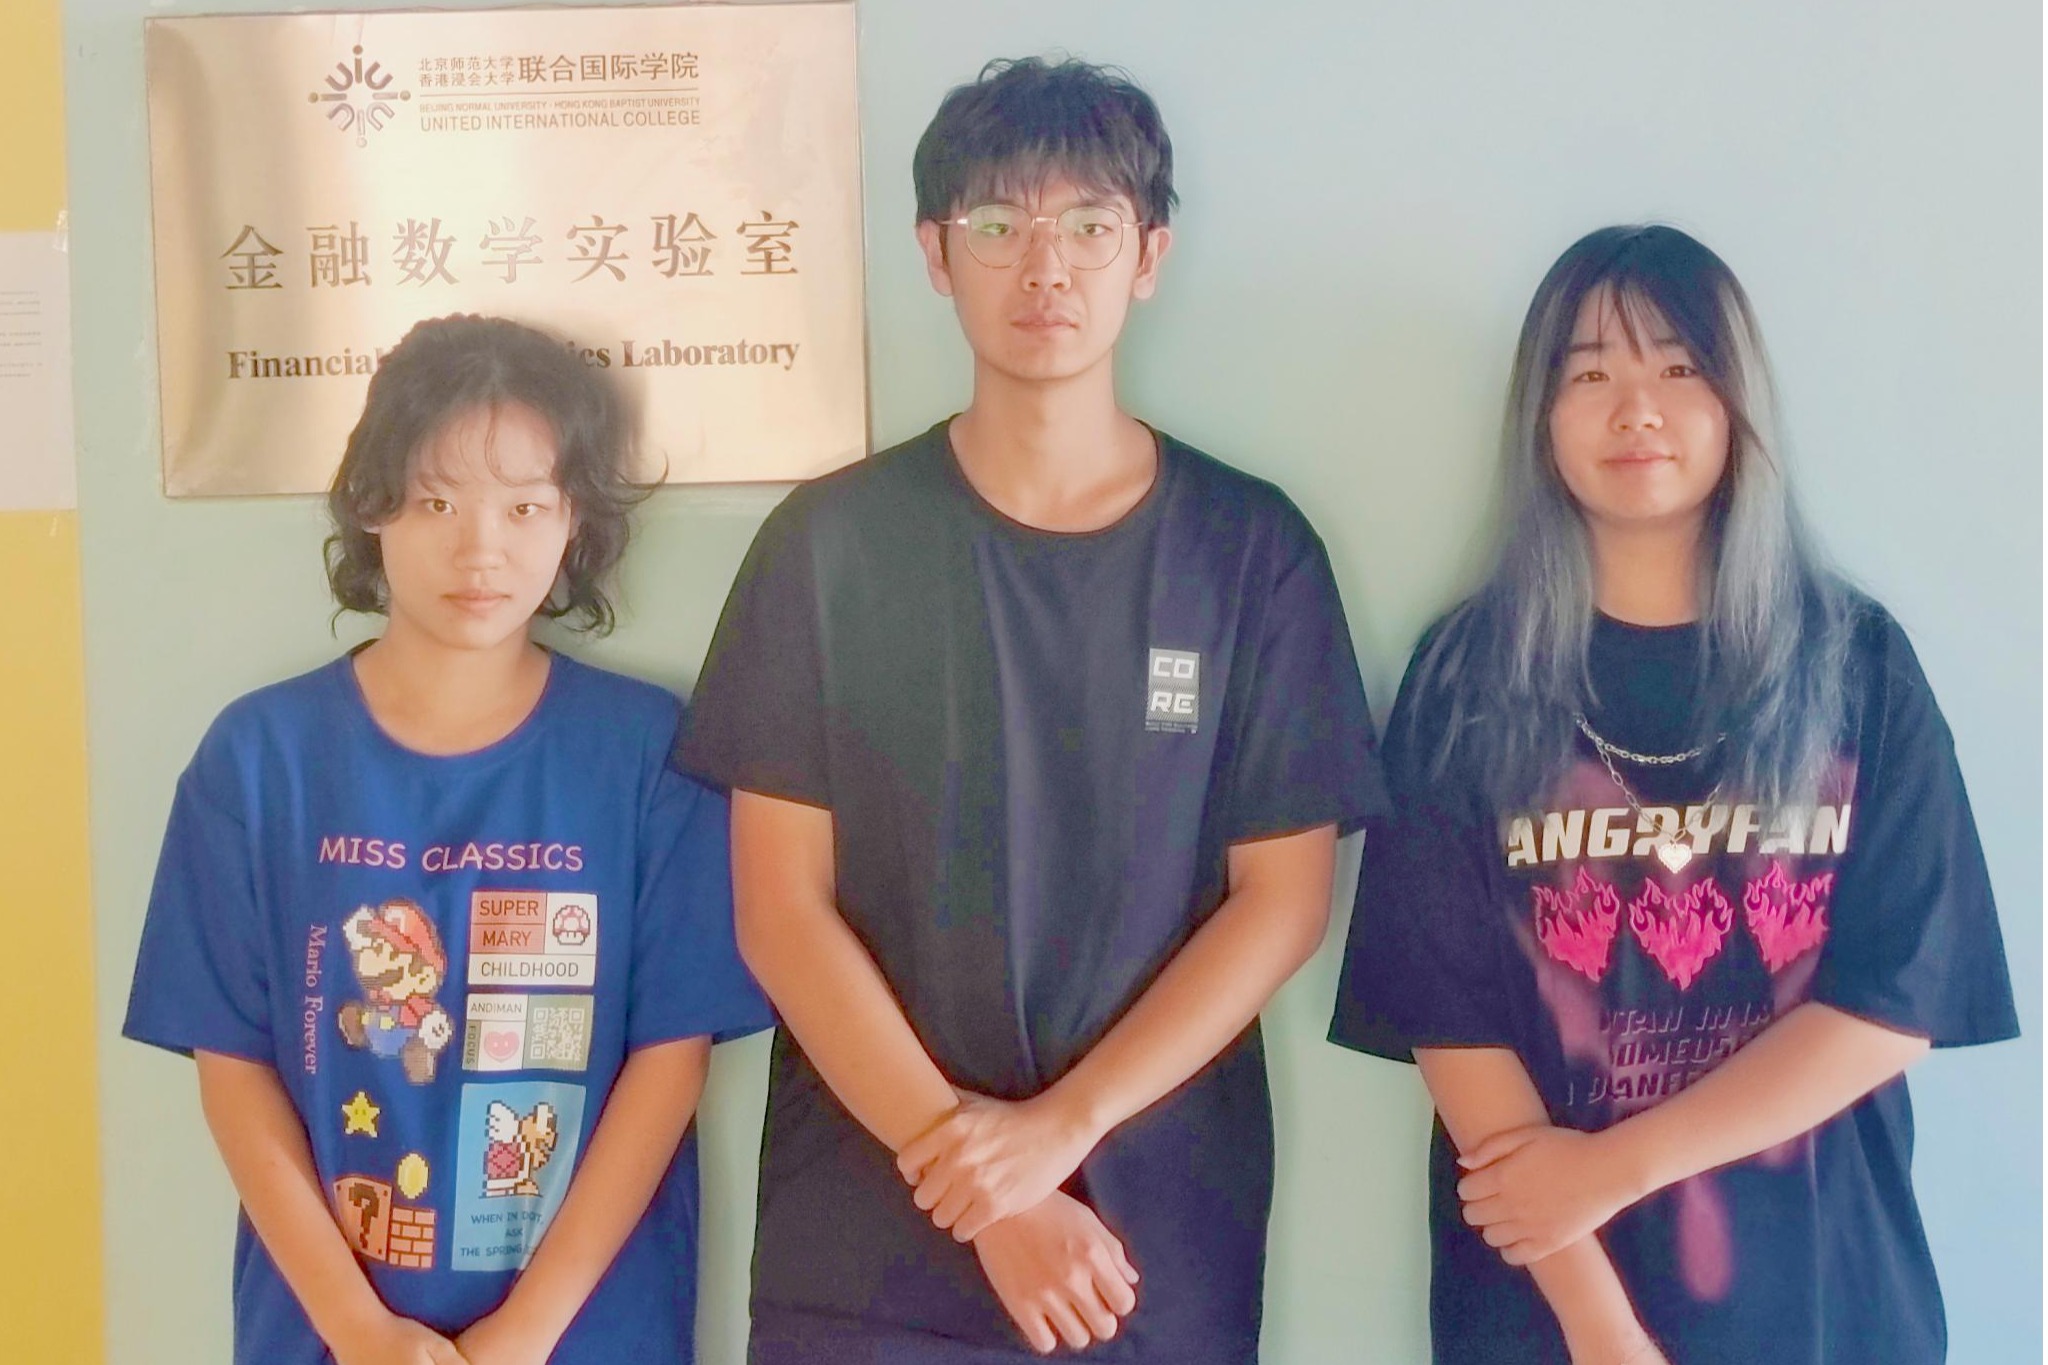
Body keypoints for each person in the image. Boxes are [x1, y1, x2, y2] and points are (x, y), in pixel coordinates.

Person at [680, 56, 1385, 1364]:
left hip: (1147, 1237)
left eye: (1088, 226)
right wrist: (988, 1189)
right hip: (870, 1226)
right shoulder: (828, 547)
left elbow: (1281, 903)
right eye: (998, 224)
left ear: (1148, 255)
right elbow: (780, 911)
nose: (1044, 266)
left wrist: (1058, 1133)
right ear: (935, 254)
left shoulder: (1248, 552)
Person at [1329, 225, 2018, 1365]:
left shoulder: (1856, 665)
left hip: (1823, 1301)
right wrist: (1599, 1327)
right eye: (1589, 374)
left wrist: (1614, 1167)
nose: (1635, 410)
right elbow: (1446, 1018)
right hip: (1546, 1313)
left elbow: (1895, 1007)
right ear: (1539, 416)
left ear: (1737, 403)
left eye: (1679, 367)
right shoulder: (1463, 677)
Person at [123, 314, 773, 1365]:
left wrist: (525, 1334)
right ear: (371, 504)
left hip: (588, 1332)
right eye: (436, 501)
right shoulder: (258, 759)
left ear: (574, 521)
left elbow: (670, 1062)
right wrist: (358, 1329)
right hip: (326, 1331)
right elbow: (231, 1066)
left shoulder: (649, 754)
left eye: (525, 506)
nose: (481, 549)